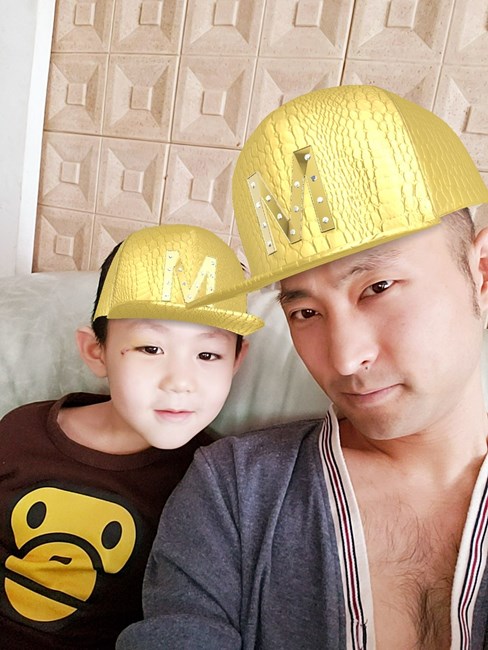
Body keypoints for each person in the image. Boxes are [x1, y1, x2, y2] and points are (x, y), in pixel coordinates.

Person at [116, 85, 488, 649]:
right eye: (305, 312)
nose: (344, 358)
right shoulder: (235, 492)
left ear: (481, 273)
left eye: (378, 287)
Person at [0, 223, 263, 649]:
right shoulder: (20, 432)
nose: (180, 381)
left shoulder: (215, 481)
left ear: (236, 360)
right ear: (96, 351)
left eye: (208, 353)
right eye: (150, 348)